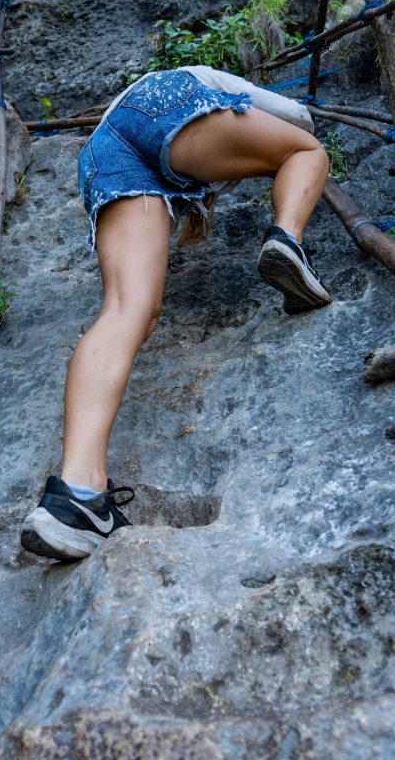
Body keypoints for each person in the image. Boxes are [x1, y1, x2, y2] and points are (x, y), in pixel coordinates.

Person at [20, 65, 332, 561]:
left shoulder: (119, 119)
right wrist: (291, 130)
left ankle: (77, 497)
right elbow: (296, 118)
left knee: (128, 310)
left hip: (105, 151)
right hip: (165, 106)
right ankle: (286, 240)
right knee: (307, 150)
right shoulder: (208, 80)